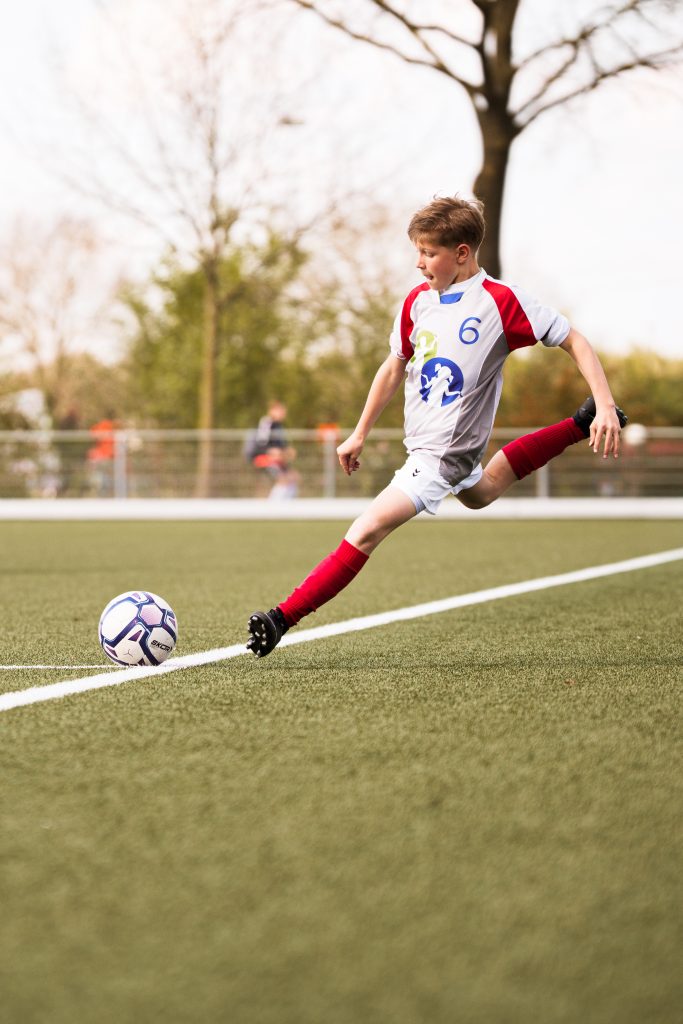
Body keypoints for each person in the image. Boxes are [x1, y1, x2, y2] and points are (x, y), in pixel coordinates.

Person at [246, 195, 627, 658]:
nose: (419, 263)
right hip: (438, 452)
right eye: (418, 251)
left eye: (428, 253)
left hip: (438, 458)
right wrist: (360, 431)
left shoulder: (500, 302)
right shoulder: (416, 303)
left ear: (461, 253)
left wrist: (606, 402)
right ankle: (576, 424)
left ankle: (281, 617)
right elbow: (393, 367)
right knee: (483, 492)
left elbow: (574, 340)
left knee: (365, 532)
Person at [246, 401, 299, 499]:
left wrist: (287, 451)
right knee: (284, 479)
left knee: (294, 476)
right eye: (280, 411)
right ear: (272, 411)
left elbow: (283, 446)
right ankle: (272, 506)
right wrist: (272, 452)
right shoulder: (266, 423)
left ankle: (286, 505)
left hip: (277, 459)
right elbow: (261, 443)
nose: (283, 414)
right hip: (264, 457)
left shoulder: (279, 426)